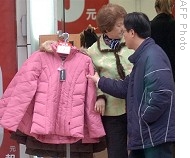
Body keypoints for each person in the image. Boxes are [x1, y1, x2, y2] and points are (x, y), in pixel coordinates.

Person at [87, 12, 175, 158]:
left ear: (132, 33)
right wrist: (99, 81)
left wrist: (143, 117)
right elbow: (125, 87)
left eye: (125, 30)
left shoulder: (152, 56)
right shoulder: (143, 56)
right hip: (146, 134)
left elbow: (162, 93)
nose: (123, 34)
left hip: (154, 135)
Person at [86, 3, 133, 158]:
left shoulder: (132, 42)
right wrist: (100, 96)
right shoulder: (93, 51)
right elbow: (93, 76)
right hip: (112, 109)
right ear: (106, 28)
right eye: (119, 25)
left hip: (136, 105)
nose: (123, 28)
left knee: (140, 149)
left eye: (124, 23)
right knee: (116, 151)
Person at [151, 0, 175, 80]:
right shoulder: (175, 24)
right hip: (173, 69)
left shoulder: (150, 25)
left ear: (156, 8)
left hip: (156, 68)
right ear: (171, 7)